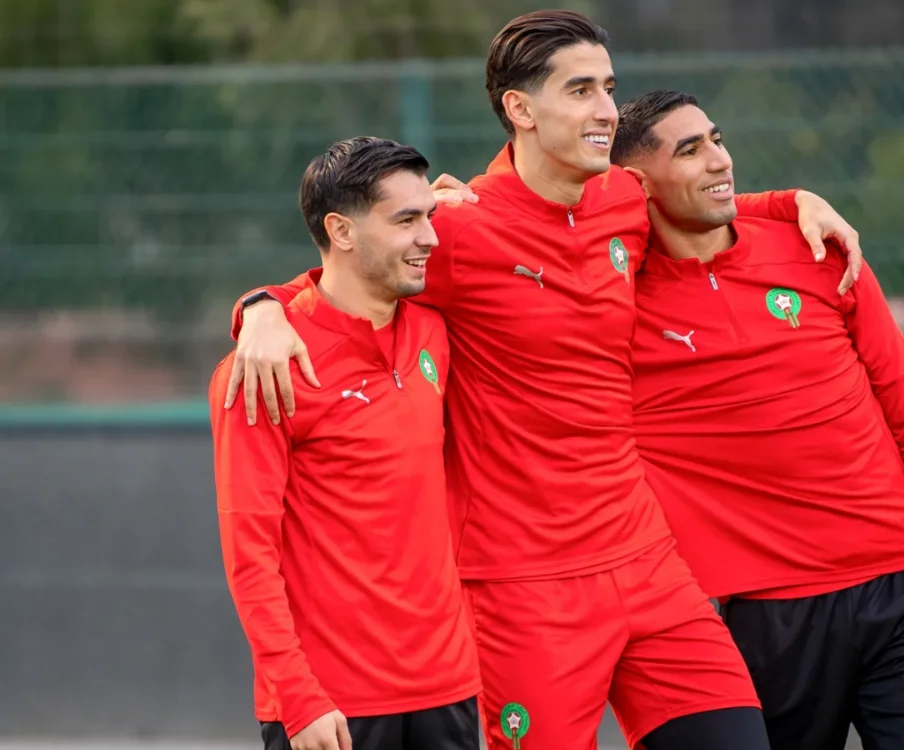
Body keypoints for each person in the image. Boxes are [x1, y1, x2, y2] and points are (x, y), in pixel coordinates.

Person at [219, 11, 866, 750]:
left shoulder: (623, 199)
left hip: (646, 560)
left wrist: (788, 203)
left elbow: (700, 204)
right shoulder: (458, 231)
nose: (605, 111)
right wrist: (261, 309)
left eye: (609, 88)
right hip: (523, 590)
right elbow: (352, 271)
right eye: (581, 89)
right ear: (519, 110)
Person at [611, 89, 904, 750]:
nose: (718, 160)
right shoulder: (614, 297)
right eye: (690, 150)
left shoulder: (818, 249)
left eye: (716, 139)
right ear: (636, 185)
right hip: (760, 619)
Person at [208, 136, 481, 750]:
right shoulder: (262, 367)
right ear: (342, 230)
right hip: (332, 705)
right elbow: (250, 555)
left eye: (429, 216)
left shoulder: (436, 331)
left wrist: (258, 302)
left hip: (450, 690)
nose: (429, 238)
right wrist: (297, 697)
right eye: (405, 220)